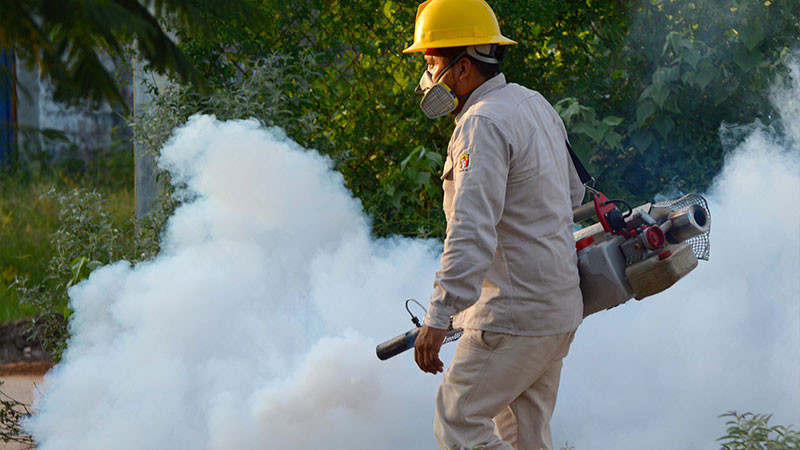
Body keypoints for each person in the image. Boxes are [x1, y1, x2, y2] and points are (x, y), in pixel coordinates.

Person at [403, 0, 587, 449]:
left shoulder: (480, 123)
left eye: (431, 62)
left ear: (463, 66)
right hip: (557, 310)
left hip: (512, 317)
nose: (427, 77)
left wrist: (439, 316)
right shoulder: (532, 103)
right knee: (525, 439)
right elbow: (574, 195)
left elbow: (470, 230)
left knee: (457, 423)